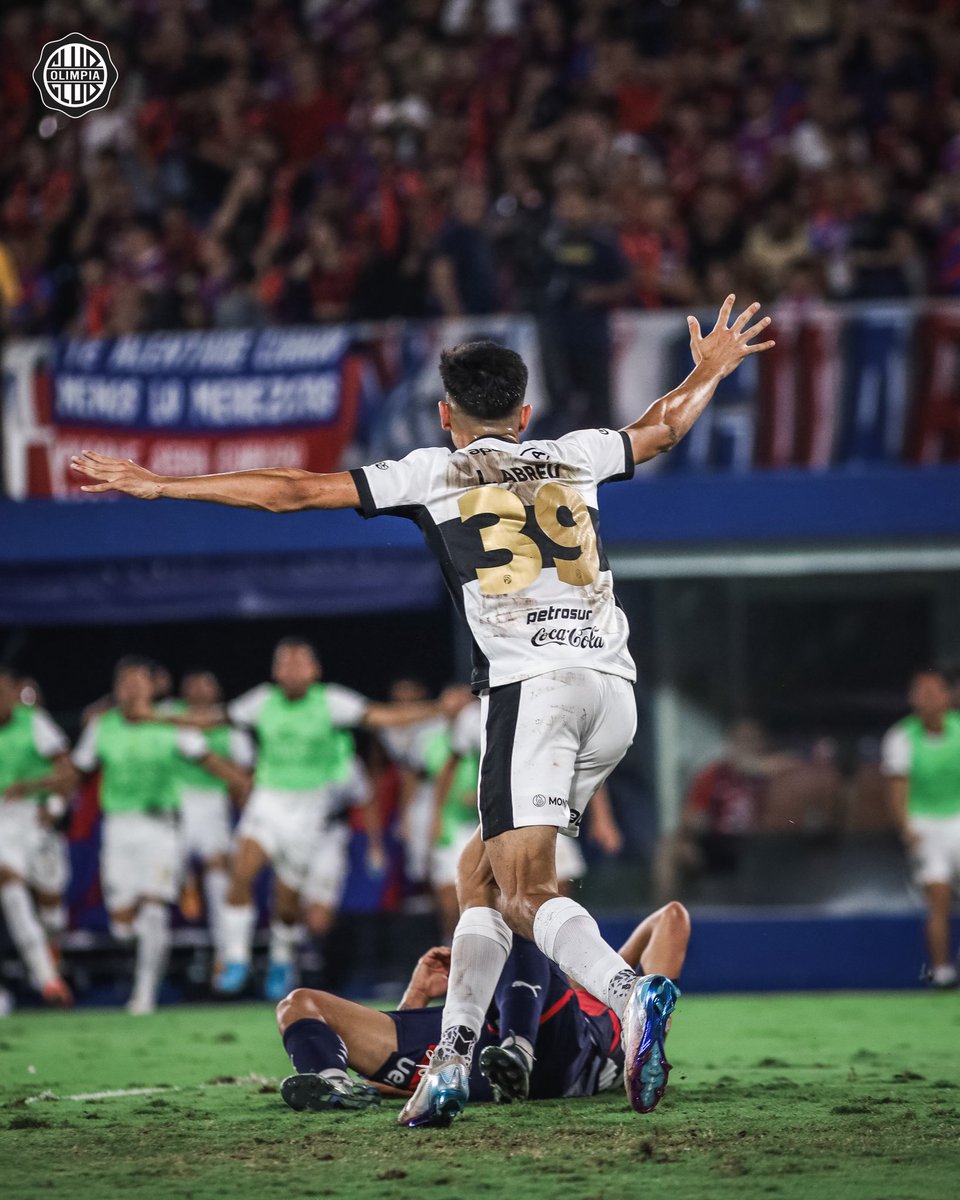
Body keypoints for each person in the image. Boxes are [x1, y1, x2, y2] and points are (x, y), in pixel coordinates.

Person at [71, 293, 774, 1120]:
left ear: (447, 414)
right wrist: (708, 371)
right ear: (526, 412)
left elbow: (290, 492)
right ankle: (452, 1063)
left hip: (533, 690)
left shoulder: (431, 472)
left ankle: (628, 997)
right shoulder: (574, 453)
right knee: (476, 869)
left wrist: (163, 485)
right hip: (612, 691)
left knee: (522, 891)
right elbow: (662, 427)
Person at [178, 639, 460, 1001]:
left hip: (309, 811)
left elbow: (381, 715)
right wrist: (157, 716)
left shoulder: (331, 702)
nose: (293, 669)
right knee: (241, 872)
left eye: (300, 662)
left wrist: (437, 709)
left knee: (288, 902)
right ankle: (235, 959)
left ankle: (282, 958)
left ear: (314, 670)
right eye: (286, 663)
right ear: (276, 670)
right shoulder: (261, 701)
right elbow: (211, 717)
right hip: (267, 798)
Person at [275, 900, 691, 1113]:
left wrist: (623, 981)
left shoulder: (635, 1017)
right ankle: (332, 1084)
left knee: (519, 916)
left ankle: (518, 1051)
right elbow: (397, 1084)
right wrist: (418, 993)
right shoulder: (605, 995)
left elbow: (671, 917)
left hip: (565, 1061)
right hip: (476, 1047)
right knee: (299, 1003)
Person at [68, 657, 249, 1014]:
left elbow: (207, 758)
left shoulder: (170, 724)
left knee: (154, 908)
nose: (133, 689)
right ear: (116, 689)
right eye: (126, 683)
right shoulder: (102, 726)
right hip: (119, 828)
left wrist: (241, 780)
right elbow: (77, 769)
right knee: (121, 923)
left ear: (153, 687)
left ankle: (144, 993)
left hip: (161, 827)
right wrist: (49, 795)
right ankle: (144, 951)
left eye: (140, 682)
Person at [160, 670, 255, 969]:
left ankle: (223, 954)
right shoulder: (169, 714)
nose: (200, 692)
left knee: (219, 871)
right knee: (165, 879)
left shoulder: (231, 727)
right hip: (173, 803)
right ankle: (187, 882)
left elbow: (246, 773)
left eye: (206, 686)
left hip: (213, 804)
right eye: (194, 686)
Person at [881, 670, 960, 989]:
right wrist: (906, 828)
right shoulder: (900, 737)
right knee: (939, 895)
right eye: (921, 693)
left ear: (947, 696)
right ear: (912, 699)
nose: (928, 699)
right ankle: (941, 972)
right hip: (924, 824)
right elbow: (898, 790)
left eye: (934, 692)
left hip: (958, 819)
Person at [0, 666, 74, 1005]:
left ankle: (51, 945)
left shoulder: (35, 724)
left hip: (36, 818)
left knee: (51, 908)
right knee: (10, 887)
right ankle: (49, 981)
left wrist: (46, 799)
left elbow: (67, 774)